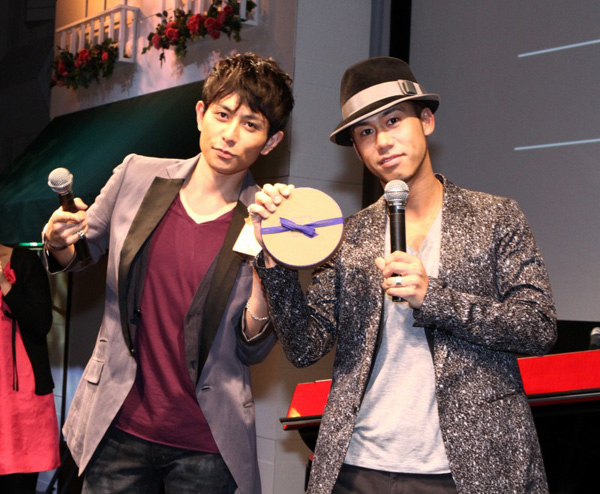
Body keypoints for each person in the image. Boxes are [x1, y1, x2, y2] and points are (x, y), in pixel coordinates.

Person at [247, 57, 557, 493]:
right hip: (358, 466)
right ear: (357, 150)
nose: (383, 141)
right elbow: (303, 347)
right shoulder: (348, 236)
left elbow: (537, 327)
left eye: (393, 121)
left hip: (469, 468)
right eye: (365, 132)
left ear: (426, 121)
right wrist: (273, 253)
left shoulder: (495, 217)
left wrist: (435, 298)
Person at [42, 52, 294, 494]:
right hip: (117, 425)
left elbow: (253, 347)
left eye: (250, 125)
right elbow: (80, 252)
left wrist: (266, 273)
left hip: (207, 442)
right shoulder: (137, 175)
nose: (230, 135)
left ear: (271, 142)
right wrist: (57, 240)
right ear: (200, 114)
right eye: (222, 115)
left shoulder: (269, 220)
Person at [0, 244, 60, 494]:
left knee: (18, 480)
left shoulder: (25, 262)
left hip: (20, 395)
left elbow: (41, 322)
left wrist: (5, 285)